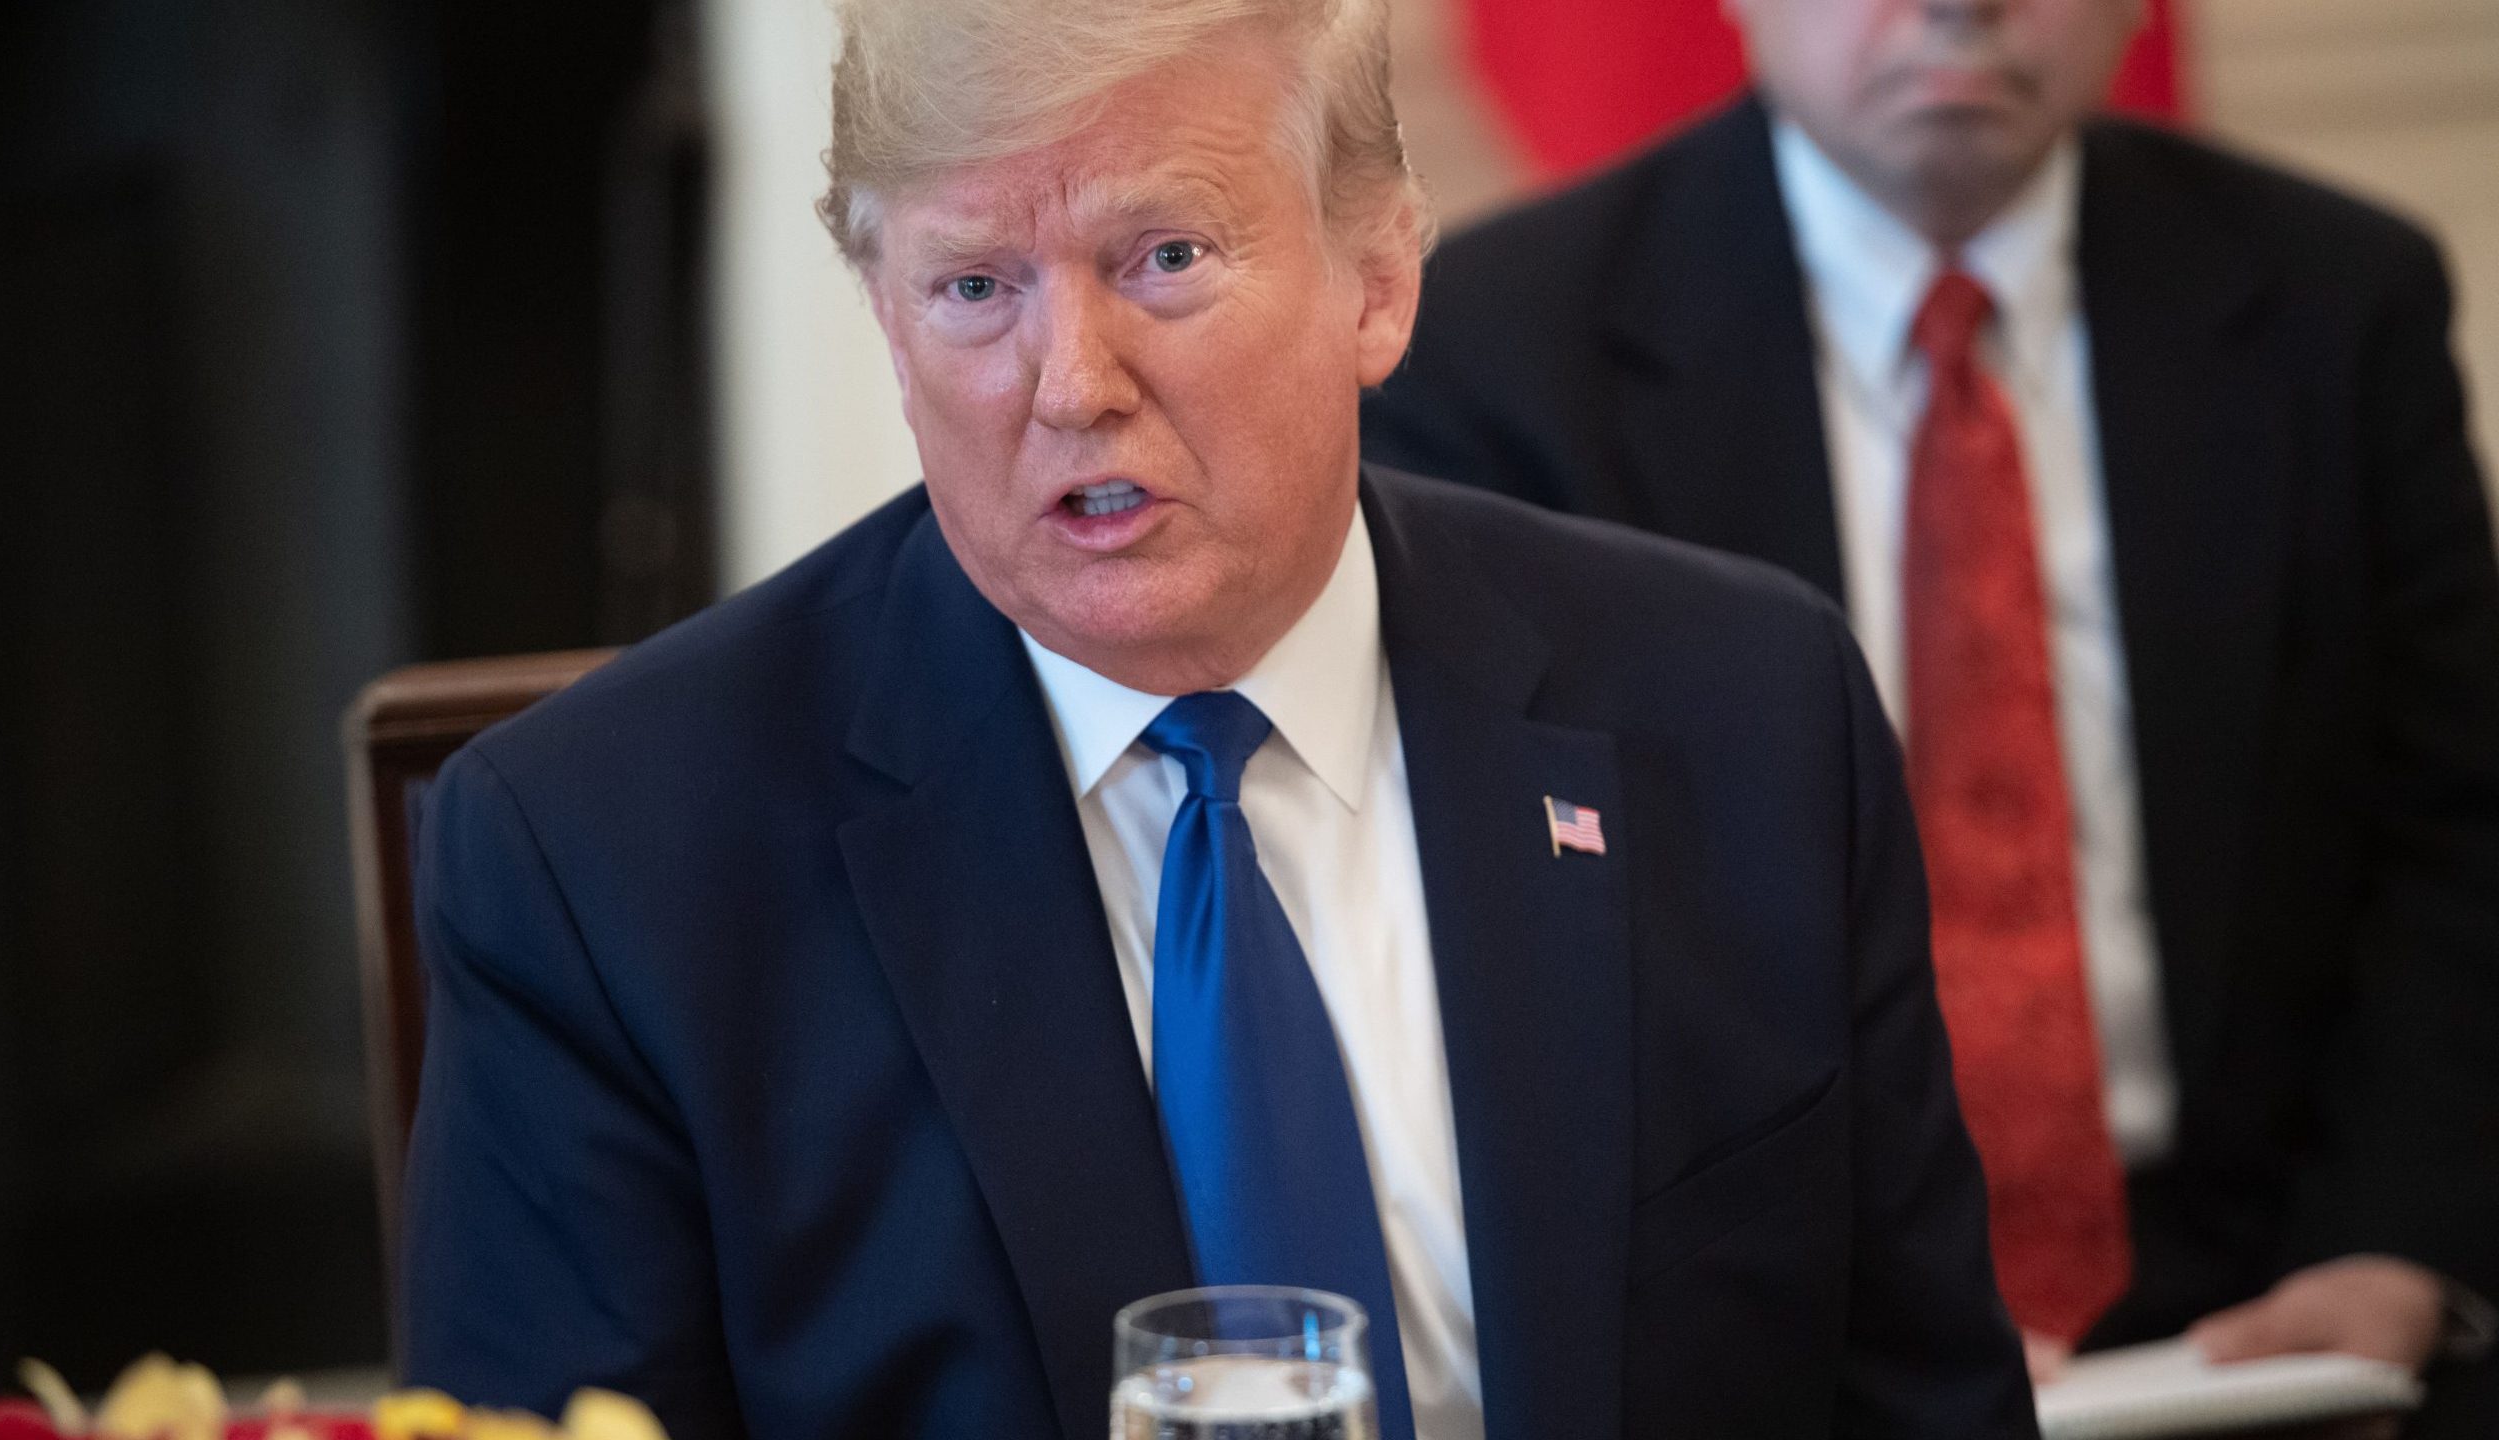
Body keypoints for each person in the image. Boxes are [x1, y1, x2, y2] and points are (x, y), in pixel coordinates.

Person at [397, 1, 2038, 1437]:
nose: (1070, 382)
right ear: (888, 325)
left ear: (1379, 282)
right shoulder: (604, 867)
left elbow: (1918, 1404)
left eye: (1162, 258)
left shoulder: (1739, 716)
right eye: (974, 287)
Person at [1362, 0, 2499, 1430]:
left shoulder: (2343, 302)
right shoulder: (1499, 351)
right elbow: (1508, 946)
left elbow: (2452, 831)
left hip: (2267, 1290)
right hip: (1778, 1308)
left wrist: (2396, 1242)